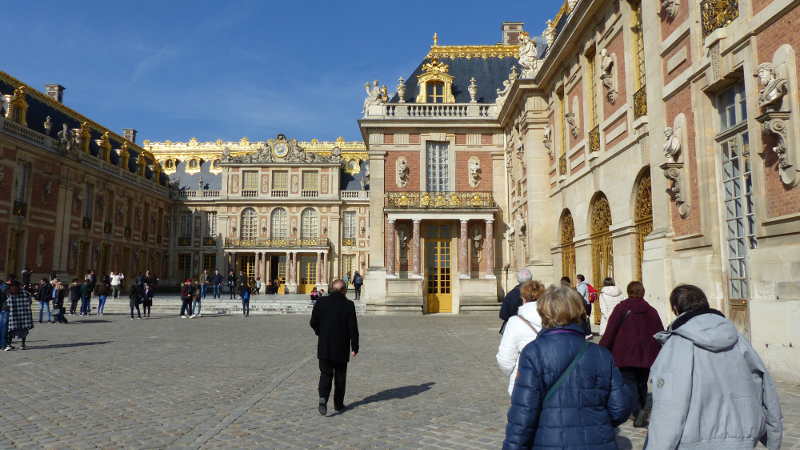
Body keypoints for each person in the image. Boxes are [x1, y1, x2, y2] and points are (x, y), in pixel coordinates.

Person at [645, 285, 783, 449]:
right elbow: (767, 390)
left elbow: (669, 405)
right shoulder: (739, 339)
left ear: (675, 309)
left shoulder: (677, 345)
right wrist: (774, 437)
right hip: (742, 439)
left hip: (694, 442)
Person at [503, 285, 630, 449]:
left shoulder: (534, 352)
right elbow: (620, 408)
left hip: (551, 441)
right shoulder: (601, 354)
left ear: (544, 312)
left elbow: (523, 414)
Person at [598, 281, 664, 427]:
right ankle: (640, 408)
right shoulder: (651, 311)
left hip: (624, 354)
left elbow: (610, 332)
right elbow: (659, 333)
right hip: (646, 355)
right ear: (643, 293)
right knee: (642, 383)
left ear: (628, 292)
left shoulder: (621, 308)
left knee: (629, 384)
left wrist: (602, 348)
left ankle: (637, 410)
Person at [309, 279, 359, 415]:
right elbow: (353, 328)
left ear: (331, 288)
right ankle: (338, 404)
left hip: (324, 345)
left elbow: (313, 322)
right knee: (340, 377)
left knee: (325, 374)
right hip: (341, 346)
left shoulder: (321, 302)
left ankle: (323, 398)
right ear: (344, 290)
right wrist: (355, 346)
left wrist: (320, 332)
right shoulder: (349, 305)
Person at [496, 280, 545, 396]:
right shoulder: (554, 318)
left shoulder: (515, 322)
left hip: (524, 379)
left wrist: (513, 372)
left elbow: (505, 360)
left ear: (523, 298)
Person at [499, 269, 532, 334]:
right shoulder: (537, 293)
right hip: (532, 328)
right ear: (531, 279)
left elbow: (503, 315)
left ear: (518, 279)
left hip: (514, 328)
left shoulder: (511, 294)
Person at [5, 280, 34, 351]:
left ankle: (8, 345)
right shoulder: (26, 293)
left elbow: (4, 303)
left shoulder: (8, 293)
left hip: (12, 315)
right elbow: (30, 302)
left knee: (10, 330)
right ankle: (22, 345)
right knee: (24, 329)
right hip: (24, 315)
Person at [575, 274, 594, 338]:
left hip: (585, 304)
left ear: (579, 279)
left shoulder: (582, 286)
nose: (576, 280)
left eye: (576, 278)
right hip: (585, 304)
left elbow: (581, 295)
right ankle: (588, 333)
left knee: (584, 319)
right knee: (585, 319)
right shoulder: (582, 285)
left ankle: (587, 333)